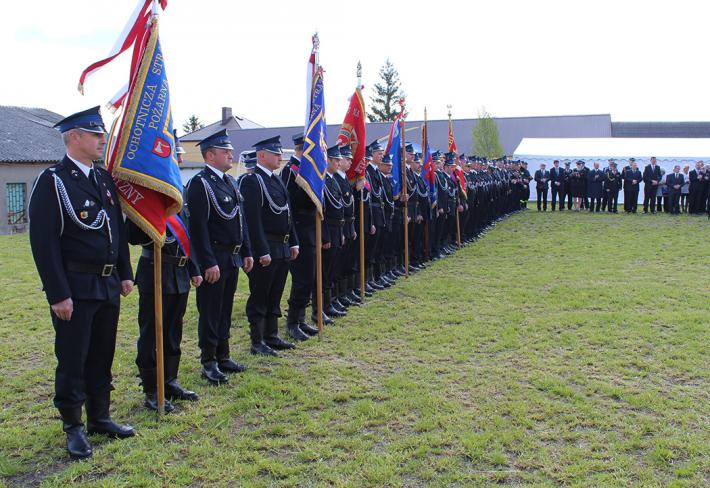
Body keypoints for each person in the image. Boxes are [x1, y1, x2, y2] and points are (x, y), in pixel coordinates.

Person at [29, 106, 135, 459]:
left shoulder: (103, 179)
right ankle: (73, 425)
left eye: (101, 134)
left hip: (106, 285)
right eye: (95, 135)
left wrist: (125, 272)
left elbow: (115, 229)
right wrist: (58, 294)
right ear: (74, 137)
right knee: (73, 357)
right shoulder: (54, 181)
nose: (102, 140)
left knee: (102, 354)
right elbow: (44, 243)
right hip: (75, 286)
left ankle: (100, 417)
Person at [128, 134, 201, 412]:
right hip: (155, 271)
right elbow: (132, 237)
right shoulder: (151, 195)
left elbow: (188, 237)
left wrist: (193, 269)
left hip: (180, 273)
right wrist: (148, 213)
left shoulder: (177, 194)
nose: (179, 160)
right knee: (151, 333)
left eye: (179, 157)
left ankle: (170, 380)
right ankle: (151, 388)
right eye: (175, 157)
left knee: (173, 331)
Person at [186, 129, 252, 385]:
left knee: (224, 309)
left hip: (232, 256)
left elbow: (240, 219)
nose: (231, 155)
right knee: (211, 311)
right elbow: (198, 228)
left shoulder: (230, 182)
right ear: (210, 155)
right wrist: (207, 262)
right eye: (226, 152)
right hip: (215, 257)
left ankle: (224, 355)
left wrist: (245, 250)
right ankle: (209, 361)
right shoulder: (200, 184)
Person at [240, 136, 299, 357]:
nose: (280, 157)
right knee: (260, 293)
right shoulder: (252, 181)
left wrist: (293, 241)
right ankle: (257, 340)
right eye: (275, 154)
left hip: (281, 246)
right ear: (262, 156)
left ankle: (272, 335)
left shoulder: (275, 180)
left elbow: (287, 213)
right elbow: (252, 220)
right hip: (265, 246)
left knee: (276, 292)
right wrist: (261, 249)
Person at [281, 134, 320, 339]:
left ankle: (302, 319)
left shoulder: (308, 170)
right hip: (298, 228)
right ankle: (293, 322)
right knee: (301, 279)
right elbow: (289, 203)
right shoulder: (290, 171)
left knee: (309, 278)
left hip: (310, 229)